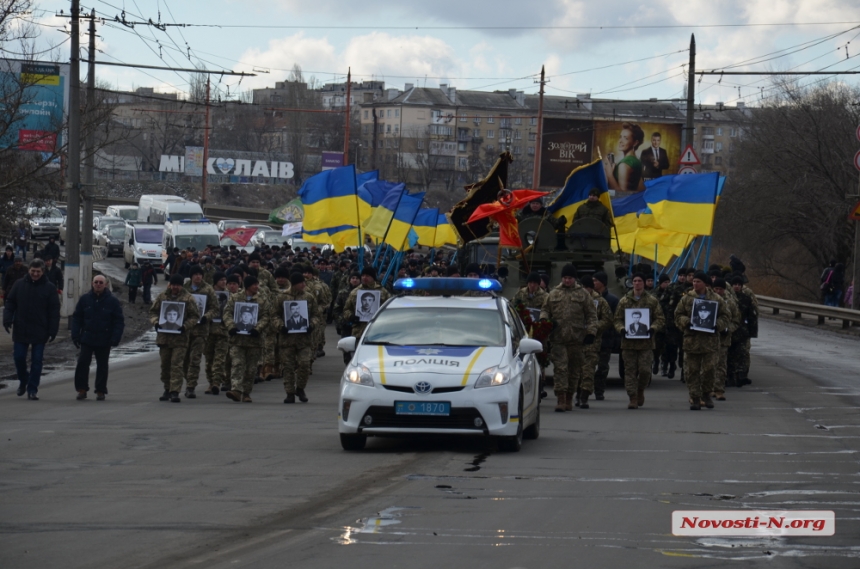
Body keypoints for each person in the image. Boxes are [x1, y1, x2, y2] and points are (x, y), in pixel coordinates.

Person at [539, 264, 598, 412]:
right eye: (565, 278)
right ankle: (560, 398)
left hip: (576, 339)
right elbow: (545, 310)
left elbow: (591, 315)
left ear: (574, 279)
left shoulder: (583, 294)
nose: (567, 281)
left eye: (570, 278)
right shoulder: (553, 293)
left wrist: (591, 332)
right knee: (560, 369)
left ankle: (569, 398)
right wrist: (545, 322)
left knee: (574, 370)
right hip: (558, 338)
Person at [3, 259, 60, 400]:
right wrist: (7, 318)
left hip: (41, 330)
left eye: (38, 272)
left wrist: (53, 330)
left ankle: (32, 389)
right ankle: (24, 380)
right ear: (29, 271)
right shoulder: (19, 285)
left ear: (42, 272)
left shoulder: (49, 288)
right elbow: (10, 303)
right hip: (21, 328)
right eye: (33, 271)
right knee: (19, 357)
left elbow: (54, 311)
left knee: (37, 360)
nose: (35, 274)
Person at [674, 271, 728, 410]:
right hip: (692, 340)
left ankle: (706, 394)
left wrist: (717, 325)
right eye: (694, 281)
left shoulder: (716, 298)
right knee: (692, 371)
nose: (695, 284)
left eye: (698, 281)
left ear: (705, 283)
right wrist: (687, 322)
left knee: (709, 370)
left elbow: (726, 316)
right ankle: (695, 397)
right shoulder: (687, 298)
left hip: (710, 341)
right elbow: (678, 315)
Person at [614, 273, 664, 409]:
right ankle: (633, 397)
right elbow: (617, 319)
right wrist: (622, 329)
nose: (637, 283)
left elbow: (660, 318)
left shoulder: (652, 301)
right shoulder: (624, 301)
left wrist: (653, 328)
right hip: (628, 344)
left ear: (644, 283)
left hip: (645, 343)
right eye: (634, 281)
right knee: (629, 371)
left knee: (645, 370)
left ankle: (640, 389)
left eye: (639, 281)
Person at [72, 275, 124, 401]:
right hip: (87, 337)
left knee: (102, 366)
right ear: (92, 283)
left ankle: (100, 390)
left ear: (105, 284)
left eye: (101, 282)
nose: (98, 284)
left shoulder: (112, 301)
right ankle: (82, 389)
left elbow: (118, 321)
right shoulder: (84, 299)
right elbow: (77, 318)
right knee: (82, 363)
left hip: (104, 338)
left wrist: (115, 337)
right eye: (96, 282)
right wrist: (75, 335)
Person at [150, 274, 200, 403]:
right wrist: (156, 322)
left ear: (181, 285)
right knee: (165, 365)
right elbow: (153, 312)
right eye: (173, 285)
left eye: (178, 285)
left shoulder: (188, 298)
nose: (175, 287)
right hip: (164, 338)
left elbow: (194, 316)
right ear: (170, 285)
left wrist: (185, 326)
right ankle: (167, 388)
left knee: (176, 365)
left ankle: (175, 391)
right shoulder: (162, 297)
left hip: (180, 338)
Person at [223, 275, 270, 403]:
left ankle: (246, 393)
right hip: (237, 340)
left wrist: (258, 329)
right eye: (254, 284)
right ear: (248, 286)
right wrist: (231, 327)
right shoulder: (235, 298)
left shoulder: (262, 299)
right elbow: (227, 313)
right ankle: (236, 390)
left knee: (251, 369)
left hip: (254, 340)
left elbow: (266, 316)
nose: (257, 286)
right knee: (237, 364)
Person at [276, 273, 318, 403]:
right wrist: (280, 326)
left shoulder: (309, 298)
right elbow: (274, 315)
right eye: (301, 283)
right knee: (287, 367)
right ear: (294, 284)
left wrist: (312, 325)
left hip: (304, 340)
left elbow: (316, 315)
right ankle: (289, 392)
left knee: (305, 364)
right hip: (287, 339)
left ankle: (300, 388)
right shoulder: (282, 297)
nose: (304, 285)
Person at [182, 265, 219, 399]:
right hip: (186, 330)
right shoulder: (184, 288)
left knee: (195, 359)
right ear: (191, 276)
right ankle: (188, 379)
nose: (198, 277)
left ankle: (191, 387)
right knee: (184, 360)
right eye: (195, 274)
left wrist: (206, 317)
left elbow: (215, 308)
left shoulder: (208, 289)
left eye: (200, 274)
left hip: (201, 331)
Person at [578, 276, 613, 409]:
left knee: (588, 371)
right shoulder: (576, 300)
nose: (585, 291)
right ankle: (577, 393)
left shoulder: (600, 301)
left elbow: (608, 319)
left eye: (587, 288)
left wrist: (594, 327)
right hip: (576, 341)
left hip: (592, 342)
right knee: (577, 371)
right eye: (583, 288)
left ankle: (584, 396)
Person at [591, 271, 619, 400]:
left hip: (605, 338)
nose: (594, 283)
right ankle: (586, 389)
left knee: (602, 367)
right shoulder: (589, 298)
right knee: (588, 366)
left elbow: (615, 319)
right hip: (590, 339)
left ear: (603, 283)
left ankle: (599, 390)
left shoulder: (612, 300)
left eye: (596, 280)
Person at [343, 266, 390, 340]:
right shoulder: (355, 292)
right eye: (363, 275)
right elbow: (346, 309)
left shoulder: (383, 292)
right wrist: (352, 316)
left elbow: (389, 310)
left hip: (377, 331)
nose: (364, 278)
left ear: (373, 277)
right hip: (358, 332)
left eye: (367, 276)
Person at [711, 278, 739, 401]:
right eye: (716, 289)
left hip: (723, 339)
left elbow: (736, 320)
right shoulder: (707, 300)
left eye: (720, 289)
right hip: (707, 339)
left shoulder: (730, 303)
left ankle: (719, 389)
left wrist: (728, 329)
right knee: (708, 365)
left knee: (721, 365)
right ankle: (709, 388)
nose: (718, 291)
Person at [203, 272, 229, 395]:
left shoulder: (230, 295)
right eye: (221, 280)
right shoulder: (208, 294)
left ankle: (216, 383)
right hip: (209, 331)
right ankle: (210, 382)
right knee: (209, 359)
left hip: (224, 331)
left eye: (225, 279)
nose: (224, 282)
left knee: (220, 359)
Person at [603, 122, 645, 192]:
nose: (620, 141)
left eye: (625, 138)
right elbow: (640, 188)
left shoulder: (624, 164)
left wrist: (609, 174)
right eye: (620, 137)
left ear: (635, 143)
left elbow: (622, 195)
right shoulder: (637, 161)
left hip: (621, 202)